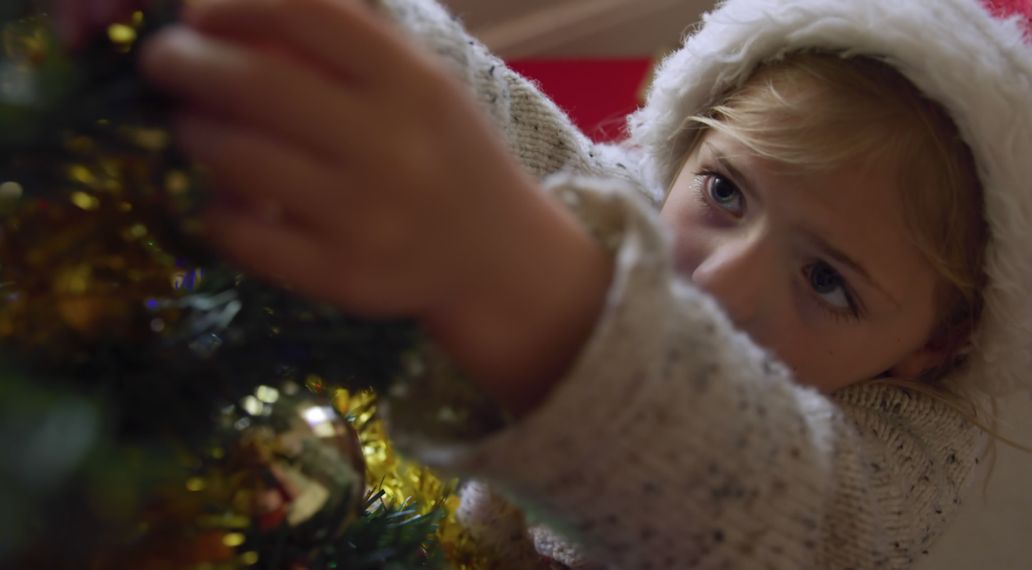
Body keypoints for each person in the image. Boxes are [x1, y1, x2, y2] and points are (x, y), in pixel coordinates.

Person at [57, 0, 1032, 567]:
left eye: (828, 281)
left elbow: (767, 489)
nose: (721, 284)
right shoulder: (646, 214)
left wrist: (519, 273)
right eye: (727, 191)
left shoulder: (918, 465)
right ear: (687, 150)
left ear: (934, 345)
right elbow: (495, 118)